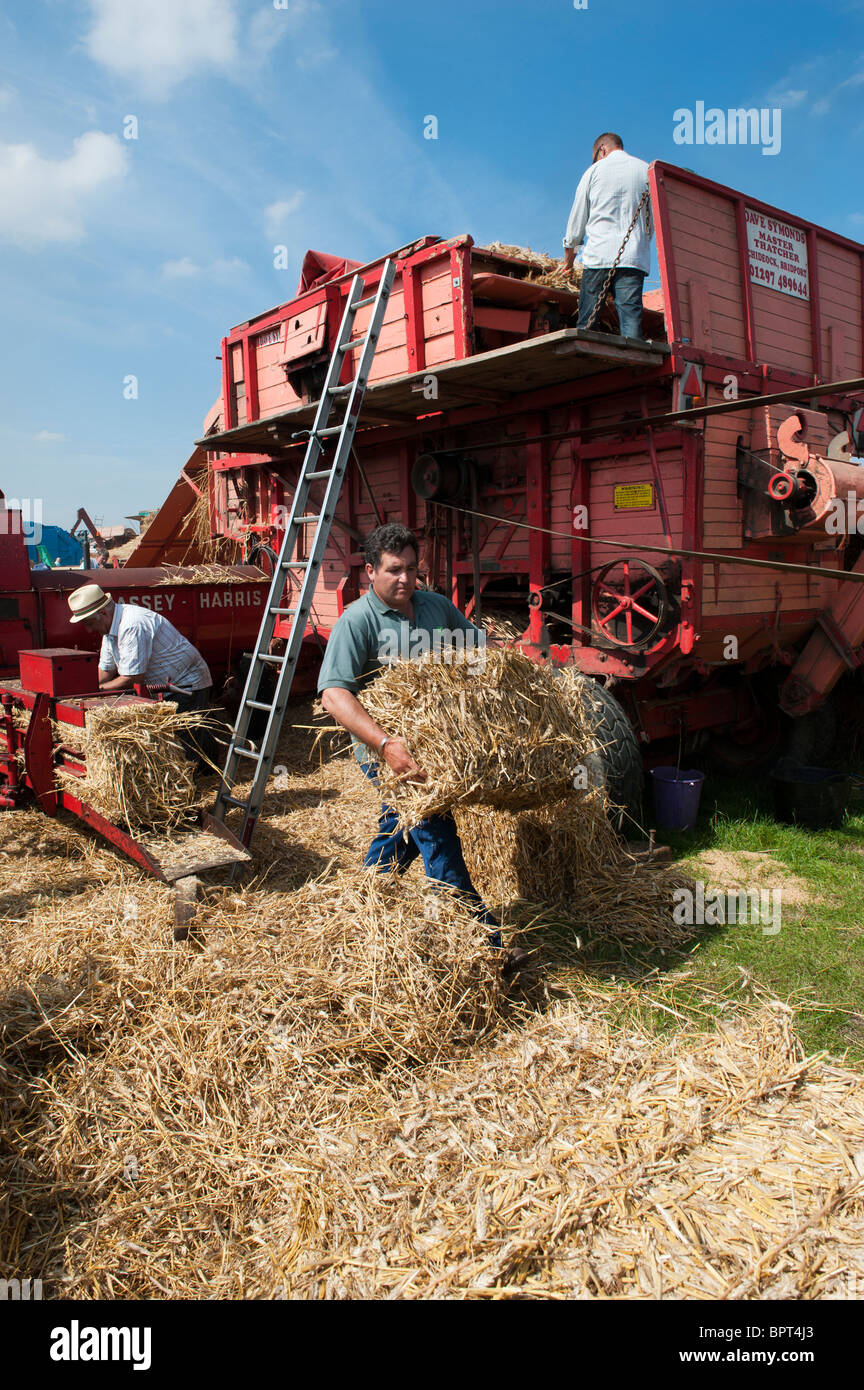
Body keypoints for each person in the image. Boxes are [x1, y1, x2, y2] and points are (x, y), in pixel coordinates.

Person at [318, 523, 530, 977]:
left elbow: (478, 654)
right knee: (437, 833)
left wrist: (505, 681)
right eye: (394, 570)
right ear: (371, 571)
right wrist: (385, 743)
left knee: (403, 828)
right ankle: (484, 946)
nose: (405, 579)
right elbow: (334, 695)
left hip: (438, 750)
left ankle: (365, 902)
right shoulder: (357, 621)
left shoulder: (436, 606)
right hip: (386, 753)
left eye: (412, 569)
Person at [67, 583, 215, 766]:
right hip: (165, 685)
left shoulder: (131, 625)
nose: (89, 630)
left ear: (103, 613)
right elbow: (106, 670)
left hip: (185, 683)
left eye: (89, 624)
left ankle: (206, 781)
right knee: (187, 737)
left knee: (186, 744)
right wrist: (84, 690)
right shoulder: (109, 629)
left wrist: (96, 690)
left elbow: (133, 679)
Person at [562, 132, 653, 341]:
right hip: (633, 259)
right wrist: (640, 244)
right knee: (631, 326)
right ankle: (634, 366)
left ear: (602, 150)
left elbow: (577, 222)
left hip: (598, 258)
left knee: (587, 326)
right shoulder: (646, 171)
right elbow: (651, 223)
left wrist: (569, 261)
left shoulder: (593, 172)